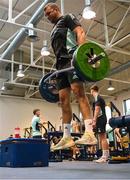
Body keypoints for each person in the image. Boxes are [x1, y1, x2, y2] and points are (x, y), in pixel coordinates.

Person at [44, 3, 97, 151]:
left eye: (49, 13)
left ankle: (89, 133)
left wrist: (82, 54)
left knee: (78, 92)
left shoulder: (68, 18)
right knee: (63, 100)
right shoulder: (54, 29)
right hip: (60, 65)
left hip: (71, 58)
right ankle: (67, 137)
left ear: (56, 10)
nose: (47, 17)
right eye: (46, 15)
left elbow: (80, 32)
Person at [90, 85, 109, 163]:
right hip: (100, 119)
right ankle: (105, 156)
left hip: (101, 119)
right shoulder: (96, 99)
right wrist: (94, 120)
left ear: (92, 90)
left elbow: (97, 109)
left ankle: (104, 157)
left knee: (102, 138)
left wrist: (94, 120)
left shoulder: (98, 97)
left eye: (90, 90)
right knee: (102, 138)